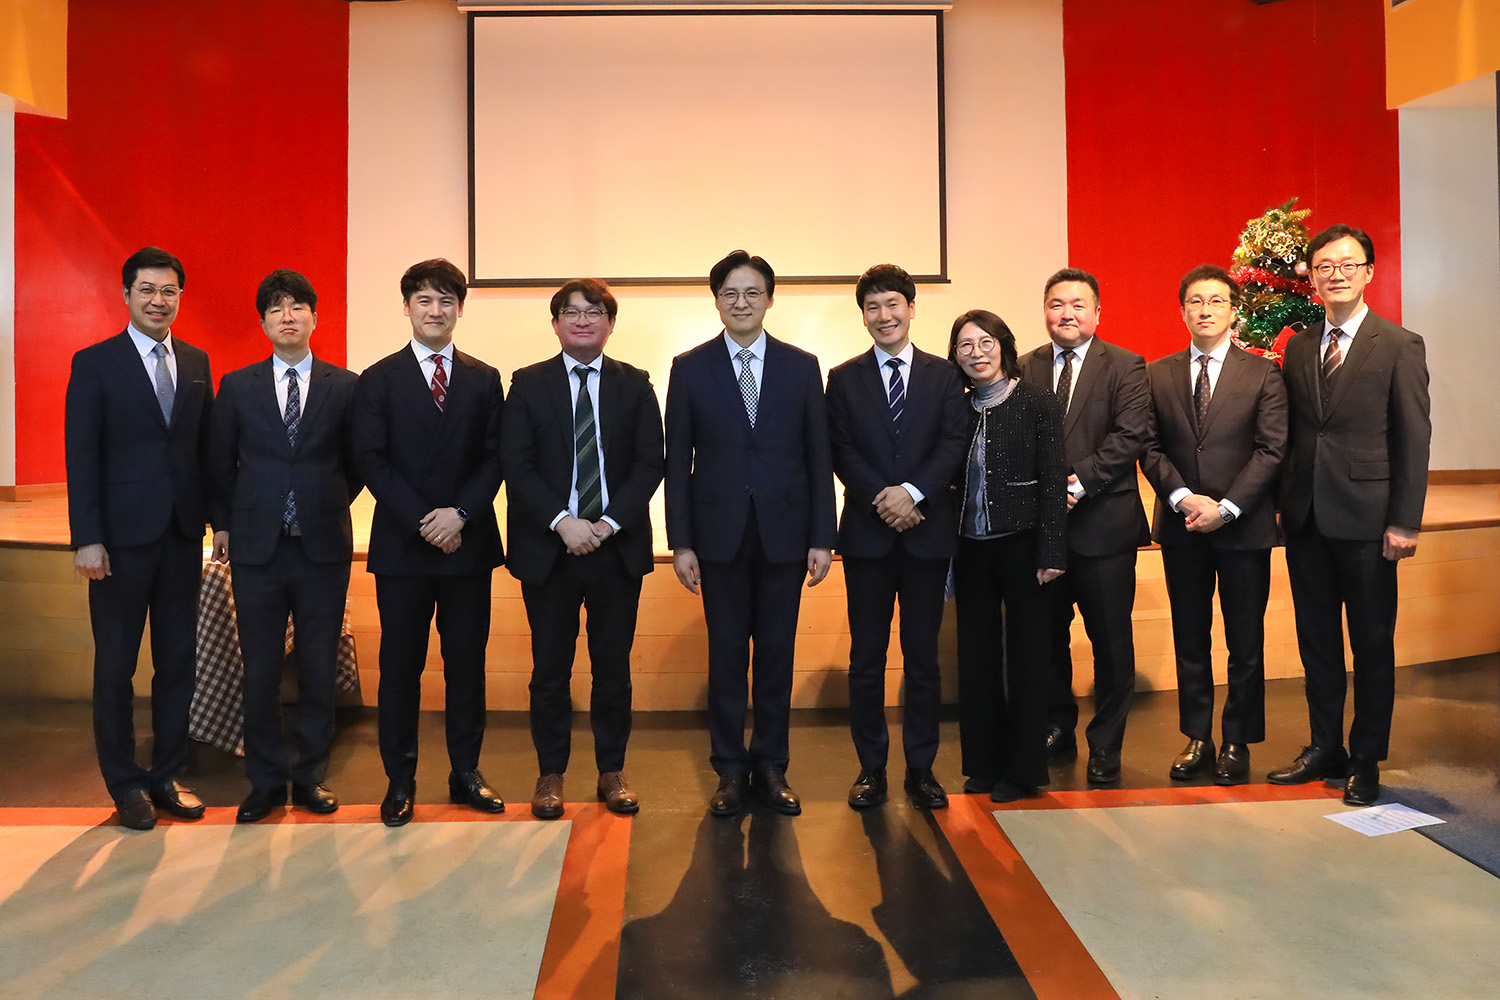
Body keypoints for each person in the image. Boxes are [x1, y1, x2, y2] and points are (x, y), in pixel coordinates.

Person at [664, 250, 836, 817]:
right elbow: (677, 461)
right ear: (717, 301)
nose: (741, 303)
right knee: (727, 657)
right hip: (718, 537)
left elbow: (818, 456)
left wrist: (822, 536)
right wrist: (681, 542)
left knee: (777, 656)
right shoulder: (690, 367)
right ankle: (729, 769)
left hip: (786, 534)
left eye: (752, 292)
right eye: (730, 294)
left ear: (769, 299)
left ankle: (771, 764)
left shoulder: (801, 366)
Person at [1269, 225, 1431, 806]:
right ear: (1312, 277)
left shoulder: (1399, 344)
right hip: (1307, 518)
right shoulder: (1299, 345)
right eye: (1324, 266)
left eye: (1347, 264)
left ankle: (1365, 759)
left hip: (1369, 519)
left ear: (1368, 272)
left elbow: (1413, 436)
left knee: (1371, 643)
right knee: (1316, 641)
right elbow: (1294, 434)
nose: (1335, 274)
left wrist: (1405, 520)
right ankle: (1324, 747)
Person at [350, 258, 507, 827]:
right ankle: (400, 780)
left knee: (467, 666)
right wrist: (426, 520)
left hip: (468, 545)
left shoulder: (484, 378)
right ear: (407, 307)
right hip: (404, 548)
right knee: (400, 669)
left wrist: (459, 514)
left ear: (459, 309)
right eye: (424, 300)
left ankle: (466, 772)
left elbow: (496, 457)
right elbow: (371, 460)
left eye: (446, 301)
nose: (435, 310)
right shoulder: (378, 378)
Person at [502, 279, 664, 819]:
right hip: (549, 551)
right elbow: (516, 464)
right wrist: (563, 522)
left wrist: (608, 523)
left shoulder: (635, 385)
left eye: (594, 312)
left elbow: (650, 463)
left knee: (612, 669)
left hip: (615, 550)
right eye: (571, 312)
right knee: (550, 670)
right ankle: (550, 773)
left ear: (610, 324)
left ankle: (612, 769)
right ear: (555, 324)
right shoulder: (527, 384)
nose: (582, 320)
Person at [65, 246, 214, 831]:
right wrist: (88, 536)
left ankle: (167, 775)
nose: (159, 300)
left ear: (180, 296)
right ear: (126, 294)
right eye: (147, 289)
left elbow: (203, 450)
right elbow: (82, 455)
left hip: (181, 535)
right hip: (119, 542)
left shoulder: (197, 361)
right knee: (116, 668)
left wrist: (218, 521)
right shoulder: (95, 363)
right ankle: (125, 783)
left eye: (169, 290)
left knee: (178, 663)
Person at [207, 269, 363, 823]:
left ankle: (311, 776)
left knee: (318, 668)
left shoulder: (345, 386)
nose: (288, 316)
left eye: (297, 306)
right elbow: (219, 463)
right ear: (263, 323)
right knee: (261, 671)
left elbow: (357, 464)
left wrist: (323, 501)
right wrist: (224, 523)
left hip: (322, 547)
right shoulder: (237, 385)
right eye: (276, 308)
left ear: (314, 317)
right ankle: (266, 781)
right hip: (257, 548)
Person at [826, 264, 967, 810]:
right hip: (868, 537)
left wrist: (912, 493)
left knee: (923, 659)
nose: (883, 316)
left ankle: (922, 769)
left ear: (911, 308)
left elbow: (953, 443)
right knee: (866, 659)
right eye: (872, 307)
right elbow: (840, 449)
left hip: (927, 535)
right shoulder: (844, 378)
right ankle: (871, 768)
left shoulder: (944, 375)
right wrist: (885, 500)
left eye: (892, 305)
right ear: (863, 316)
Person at [1140, 265, 1287, 785]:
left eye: (1216, 301)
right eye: (1196, 301)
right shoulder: (1156, 373)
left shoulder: (1263, 373)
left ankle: (1238, 740)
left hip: (1243, 529)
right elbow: (1148, 446)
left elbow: (1272, 449)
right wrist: (1183, 499)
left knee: (1244, 640)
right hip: (1182, 527)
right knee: (1190, 636)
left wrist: (1225, 508)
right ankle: (1198, 736)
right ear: (1182, 310)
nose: (1205, 310)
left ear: (1233, 310)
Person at [1021, 268, 1151, 785]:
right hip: (1041, 532)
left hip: (1104, 527)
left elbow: (1129, 436)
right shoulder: (1024, 366)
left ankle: (1106, 742)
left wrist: (1074, 485)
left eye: (1077, 304)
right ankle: (1057, 726)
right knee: (1046, 638)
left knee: (1111, 641)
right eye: (1056, 304)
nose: (1067, 313)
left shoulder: (1125, 364)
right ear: (1045, 311)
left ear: (1097, 312)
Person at [948, 310, 1067, 802]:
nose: (976, 353)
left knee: (1027, 658)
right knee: (975, 658)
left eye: (985, 342)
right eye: (965, 345)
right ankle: (982, 764)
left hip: (1024, 545)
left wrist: (1052, 549)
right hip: (969, 548)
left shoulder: (1036, 401)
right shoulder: (956, 408)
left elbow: (1054, 479)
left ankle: (1022, 771)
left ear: (1003, 345)